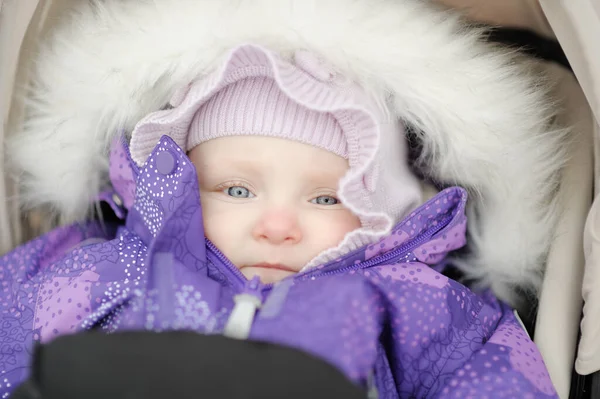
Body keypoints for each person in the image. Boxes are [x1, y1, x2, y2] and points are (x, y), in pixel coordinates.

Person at [0, 44, 558, 398]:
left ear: (384, 216)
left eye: (324, 199)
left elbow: (492, 380)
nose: (277, 226)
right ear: (179, 188)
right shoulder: (101, 268)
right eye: (237, 189)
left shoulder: (416, 302)